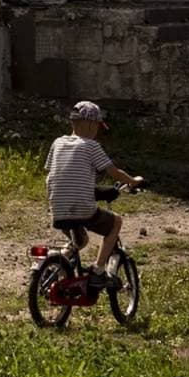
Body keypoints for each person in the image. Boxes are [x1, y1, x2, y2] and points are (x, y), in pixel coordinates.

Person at [45, 101, 143, 284]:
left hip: (57, 208)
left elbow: (57, 176)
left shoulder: (57, 143)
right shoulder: (91, 146)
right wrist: (132, 181)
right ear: (90, 124)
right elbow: (114, 172)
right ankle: (98, 270)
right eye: (98, 127)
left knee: (79, 241)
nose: (98, 131)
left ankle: (58, 266)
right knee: (115, 222)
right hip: (82, 209)